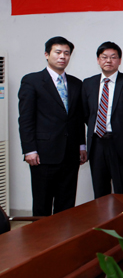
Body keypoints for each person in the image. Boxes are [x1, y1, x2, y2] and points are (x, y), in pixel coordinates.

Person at [18, 36, 86, 216]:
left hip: (70, 154)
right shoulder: (32, 81)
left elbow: (77, 118)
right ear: (47, 54)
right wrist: (29, 149)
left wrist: (81, 145)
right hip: (43, 154)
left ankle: (63, 234)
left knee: (67, 203)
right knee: (42, 204)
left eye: (67, 53)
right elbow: (25, 119)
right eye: (58, 52)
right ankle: (41, 236)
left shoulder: (76, 83)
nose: (62, 56)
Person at [82, 42, 123, 199]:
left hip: (121, 144)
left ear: (120, 60)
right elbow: (86, 113)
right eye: (104, 57)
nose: (108, 61)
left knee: (122, 190)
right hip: (96, 143)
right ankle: (101, 216)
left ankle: (122, 216)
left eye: (113, 57)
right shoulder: (88, 83)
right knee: (99, 191)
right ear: (98, 60)